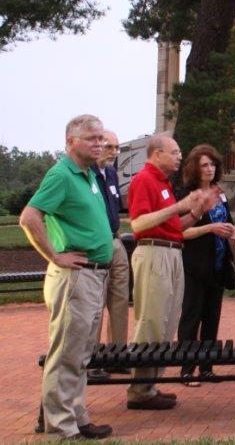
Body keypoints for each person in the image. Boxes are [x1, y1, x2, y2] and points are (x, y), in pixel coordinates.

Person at [19, 114, 114, 440]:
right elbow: (30, 217)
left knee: (81, 354)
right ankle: (60, 427)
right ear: (70, 141)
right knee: (66, 354)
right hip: (75, 277)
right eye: (91, 138)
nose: (99, 143)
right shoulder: (61, 174)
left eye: (100, 138)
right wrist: (54, 256)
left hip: (93, 277)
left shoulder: (88, 174)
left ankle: (76, 416)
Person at [126, 134, 217, 410]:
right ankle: (139, 389)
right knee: (151, 320)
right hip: (154, 253)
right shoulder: (144, 180)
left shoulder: (163, 183)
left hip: (171, 250)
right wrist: (179, 206)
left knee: (166, 321)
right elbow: (139, 224)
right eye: (175, 152)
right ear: (156, 154)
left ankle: (150, 385)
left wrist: (197, 212)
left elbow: (175, 226)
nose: (180, 156)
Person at [176, 145, 235, 386]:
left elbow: (228, 222)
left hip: (218, 263)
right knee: (192, 317)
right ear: (195, 168)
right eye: (204, 165)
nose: (210, 169)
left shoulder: (218, 194)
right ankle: (186, 368)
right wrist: (210, 228)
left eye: (212, 164)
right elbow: (180, 232)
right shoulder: (186, 194)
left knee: (212, 317)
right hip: (194, 264)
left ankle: (207, 367)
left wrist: (228, 229)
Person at [90, 129, 129, 379]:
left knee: (120, 300)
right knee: (95, 304)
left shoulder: (112, 174)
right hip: (96, 246)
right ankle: (93, 360)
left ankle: (116, 355)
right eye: (108, 147)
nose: (114, 153)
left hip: (116, 241)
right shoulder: (88, 175)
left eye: (116, 147)